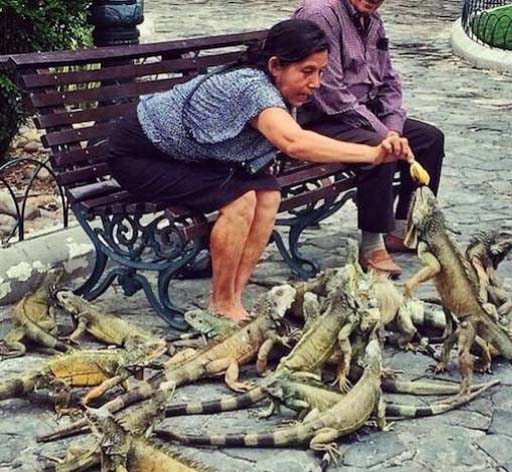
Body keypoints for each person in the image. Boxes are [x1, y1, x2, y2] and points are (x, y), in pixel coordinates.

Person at [107, 19, 411, 321]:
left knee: (268, 196)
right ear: (275, 66)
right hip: (138, 156)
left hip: (186, 156)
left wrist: (375, 151)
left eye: (321, 72)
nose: (316, 83)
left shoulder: (273, 86)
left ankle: (234, 299)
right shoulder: (252, 88)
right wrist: (373, 154)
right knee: (240, 201)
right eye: (307, 71)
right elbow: (294, 142)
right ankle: (221, 303)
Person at [293, 0, 445, 277]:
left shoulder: (372, 20)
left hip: (361, 115)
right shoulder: (321, 14)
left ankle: (402, 229)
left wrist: (393, 129)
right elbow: (329, 92)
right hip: (319, 118)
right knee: (379, 146)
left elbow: (389, 82)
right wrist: (385, 135)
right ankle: (372, 246)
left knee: (429, 139)